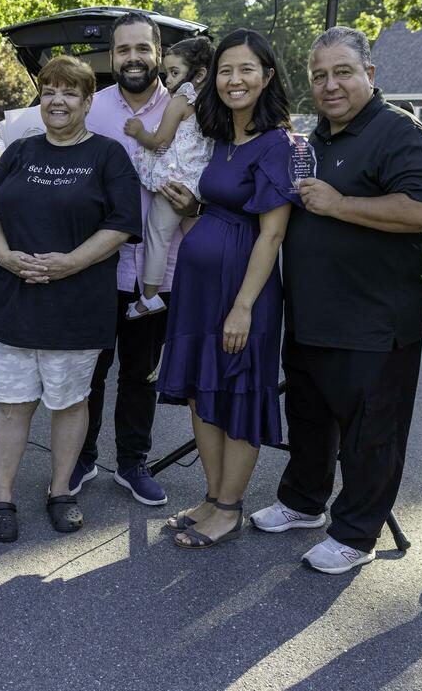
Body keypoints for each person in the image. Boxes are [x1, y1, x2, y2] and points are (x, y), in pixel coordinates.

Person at [248, 27, 422, 573]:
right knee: (310, 417)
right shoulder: (319, 137)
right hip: (313, 314)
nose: (329, 85)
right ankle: (303, 501)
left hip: (374, 320)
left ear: (369, 75)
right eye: (319, 76)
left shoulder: (395, 132)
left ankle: (358, 534)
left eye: (342, 72)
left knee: (370, 434)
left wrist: (340, 205)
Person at [0, 55, 141, 542]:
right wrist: (4, 256)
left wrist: (70, 262)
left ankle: (60, 492)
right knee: (11, 404)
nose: (57, 100)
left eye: (70, 92)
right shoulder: (20, 150)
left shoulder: (109, 155)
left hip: (77, 303)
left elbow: (123, 223)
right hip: (15, 299)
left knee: (70, 404)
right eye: (49, 90)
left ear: (89, 102)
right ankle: (1, 496)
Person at [156, 29, 296, 549]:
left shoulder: (278, 143)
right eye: (225, 71)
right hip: (198, 288)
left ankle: (231, 507)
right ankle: (212, 497)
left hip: (243, 291)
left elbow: (273, 231)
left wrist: (243, 307)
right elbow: (213, 206)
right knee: (200, 387)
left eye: (245, 70)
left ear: (267, 77)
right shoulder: (222, 138)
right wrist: (191, 212)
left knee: (237, 390)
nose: (234, 80)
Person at [75, 11, 173, 506]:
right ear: (111, 57)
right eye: (122, 50)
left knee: (141, 373)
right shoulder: (91, 110)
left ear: (157, 53)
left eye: (142, 49)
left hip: (160, 270)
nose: (132, 58)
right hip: (97, 265)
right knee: (90, 368)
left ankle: (133, 462)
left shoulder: (183, 109)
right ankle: (81, 457)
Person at [125, 35, 215, 320]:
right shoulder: (210, 105)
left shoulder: (181, 100)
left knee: (156, 236)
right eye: (167, 73)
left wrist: (140, 132)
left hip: (174, 181)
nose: (168, 79)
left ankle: (149, 298)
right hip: (197, 183)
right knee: (196, 242)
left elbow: (161, 142)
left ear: (198, 74)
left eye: (174, 72)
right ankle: (208, 289)